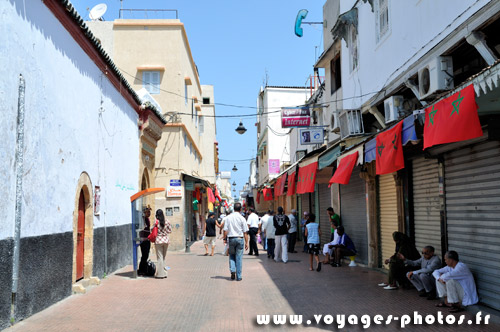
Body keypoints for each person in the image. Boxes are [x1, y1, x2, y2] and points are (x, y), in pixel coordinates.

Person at [223, 203, 249, 281]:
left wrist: (224, 239)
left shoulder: (228, 218)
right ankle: (239, 276)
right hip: (240, 239)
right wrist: (247, 242)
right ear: (240, 209)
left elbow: (225, 230)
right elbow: (245, 232)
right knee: (239, 257)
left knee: (231, 255)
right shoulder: (242, 218)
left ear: (233, 208)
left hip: (231, 239)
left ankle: (233, 270)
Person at [154, 209, 172, 279]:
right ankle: (164, 272)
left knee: (159, 258)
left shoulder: (156, 222)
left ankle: (160, 274)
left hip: (158, 240)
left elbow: (152, 229)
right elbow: (170, 230)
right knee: (163, 257)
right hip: (166, 241)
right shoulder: (167, 221)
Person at [137, 206, 151, 276]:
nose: (149, 213)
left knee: (146, 255)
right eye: (148, 212)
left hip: (147, 239)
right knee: (144, 255)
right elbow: (143, 228)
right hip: (144, 240)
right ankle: (141, 270)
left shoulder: (147, 219)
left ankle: (144, 269)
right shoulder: (143, 219)